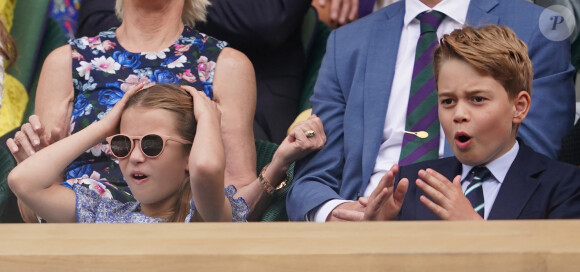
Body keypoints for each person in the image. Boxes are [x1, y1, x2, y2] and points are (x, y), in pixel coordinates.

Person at [5, 0, 320, 222]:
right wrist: (37, 162)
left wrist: (276, 167)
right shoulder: (65, 62)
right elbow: (35, 213)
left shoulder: (228, 64)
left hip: (180, 232)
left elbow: (234, 203)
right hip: (79, 232)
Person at [287, 0, 577, 222]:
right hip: (364, 225)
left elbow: (534, 164)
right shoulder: (346, 42)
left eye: (476, 99)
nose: (459, 112)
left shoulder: (538, 26)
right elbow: (312, 178)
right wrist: (342, 214)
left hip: (478, 214)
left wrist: (478, 232)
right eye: (447, 101)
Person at [74, 0, 313, 144]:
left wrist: (167, 9)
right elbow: (97, 21)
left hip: (251, 90)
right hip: (122, 82)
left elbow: (268, 19)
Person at [8, 84, 250, 222]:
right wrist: (102, 127)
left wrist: (208, 116)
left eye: (151, 144)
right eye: (123, 144)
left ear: (190, 155)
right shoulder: (104, 214)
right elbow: (23, 181)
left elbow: (206, 168)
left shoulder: (206, 216)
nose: (134, 157)